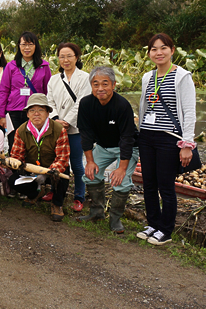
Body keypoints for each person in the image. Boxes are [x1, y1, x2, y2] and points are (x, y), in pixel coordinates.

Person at [137, 33, 196, 246]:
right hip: (146, 136)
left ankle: (166, 229)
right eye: (154, 49)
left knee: (165, 185)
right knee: (149, 183)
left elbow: (189, 112)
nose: (158, 52)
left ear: (172, 50)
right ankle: (153, 223)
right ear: (149, 53)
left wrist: (186, 144)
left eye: (163, 48)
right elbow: (145, 107)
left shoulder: (182, 76)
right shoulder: (147, 77)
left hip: (169, 138)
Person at [77, 66, 139, 233]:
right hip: (103, 146)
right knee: (90, 175)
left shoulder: (122, 105)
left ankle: (115, 218)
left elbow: (127, 138)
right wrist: (89, 161)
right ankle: (97, 212)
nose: (100, 88)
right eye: (96, 84)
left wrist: (122, 168)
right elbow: (86, 134)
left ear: (113, 85)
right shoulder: (86, 104)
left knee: (122, 181)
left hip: (126, 148)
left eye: (105, 84)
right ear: (91, 86)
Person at [7, 94, 70, 221]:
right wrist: (12, 163)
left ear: (48, 113)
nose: (36, 113)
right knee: (12, 180)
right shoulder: (21, 130)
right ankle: (35, 193)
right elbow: (16, 155)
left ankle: (57, 204)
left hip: (52, 169)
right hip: (32, 170)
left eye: (41, 110)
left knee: (63, 175)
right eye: (32, 110)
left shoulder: (59, 129)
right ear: (27, 114)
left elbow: (62, 158)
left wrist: (47, 172)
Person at [45, 42, 91, 212]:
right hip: (56, 128)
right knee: (57, 163)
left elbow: (82, 103)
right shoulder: (54, 79)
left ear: (77, 57)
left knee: (77, 165)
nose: (65, 60)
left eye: (69, 56)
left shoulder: (85, 78)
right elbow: (49, 101)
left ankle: (79, 196)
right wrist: (56, 118)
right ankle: (55, 192)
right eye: (62, 56)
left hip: (76, 128)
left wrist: (68, 121)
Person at [0, 32, 51, 150]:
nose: (27, 48)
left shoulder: (44, 66)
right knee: (15, 145)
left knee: (34, 145)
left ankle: (33, 168)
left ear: (36, 46)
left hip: (35, 111)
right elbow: (3, 90)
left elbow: (48, 92)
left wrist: (48, 112)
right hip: (14, 112)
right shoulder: (11, 66)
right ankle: (16, 169)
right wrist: (1, 114)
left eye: (30, 44)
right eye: (24, 44)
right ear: (19, 46)